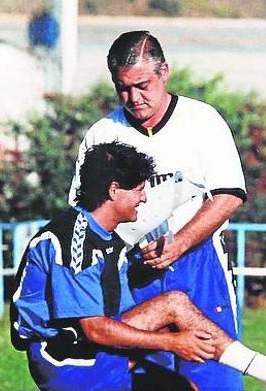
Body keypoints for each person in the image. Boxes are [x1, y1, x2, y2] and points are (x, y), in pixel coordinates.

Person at [12, 142, 266, 391]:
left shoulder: (108, 237)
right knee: (173, 306)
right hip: (67, 364)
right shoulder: (73, 241)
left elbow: (119, 316)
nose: (144, 198)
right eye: (138, 190)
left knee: (181, 379)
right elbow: (95, 328)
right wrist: (171, 342)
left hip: (89, 354)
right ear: (113, 190)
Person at [68, 30, 248, 390]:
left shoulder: (202, 120)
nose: (134, 98)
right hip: (131, 273)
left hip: (199, 265)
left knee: (214, 376)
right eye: (123, 88)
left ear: (164, 71)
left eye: (142, 85)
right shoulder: (102, 135)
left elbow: (230, 195)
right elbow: (82, 216)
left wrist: (179, 243)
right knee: (143, 380)